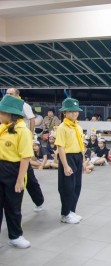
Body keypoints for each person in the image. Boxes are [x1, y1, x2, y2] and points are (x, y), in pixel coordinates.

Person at [0, 95, 33, 248]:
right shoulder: (2, 127)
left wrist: (20, 180)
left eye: (2, 112)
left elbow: (25, 157)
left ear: (10, 114)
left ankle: (15, 236)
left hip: (13, 170)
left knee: (13, 206)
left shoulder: (23, 131)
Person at [6, 88, 44, 212]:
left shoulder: (23, 105)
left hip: (22, 139)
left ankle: (39, 201)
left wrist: (30, 134)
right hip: (8, 142)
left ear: (17, 95)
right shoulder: (4, 104)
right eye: (7, 93)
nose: (8, 95)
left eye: (10, 94)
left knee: (29, 177)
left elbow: (32, 119)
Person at [55, 97, 85, 224]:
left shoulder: (78, 126)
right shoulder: (62, 127)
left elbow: (81, 144)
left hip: (78, 156)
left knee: (77, 186)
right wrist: (66, 166)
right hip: (68, 157)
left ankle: (72, 211)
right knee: (67, 187)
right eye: (71, 111)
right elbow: (60, 147)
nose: (74, 113)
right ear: (64, 113)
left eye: (76, 111)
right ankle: (65, 213)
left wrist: (83, 162)